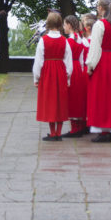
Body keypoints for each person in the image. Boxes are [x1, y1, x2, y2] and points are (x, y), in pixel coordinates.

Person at [85, 0, 111, 142]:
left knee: (101, 96)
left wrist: (90, 65)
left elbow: (95, 47)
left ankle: (103, 130)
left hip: (102, 61)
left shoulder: (99, 25)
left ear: (101, 8)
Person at [33, 12, 72, 141]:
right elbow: (68, 61)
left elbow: (38, 61)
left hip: (48, 73)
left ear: (48, 24)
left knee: (50, 101)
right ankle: (59, 133)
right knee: (60, 101)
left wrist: (36, 78)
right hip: (60, 71)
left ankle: (53, 132)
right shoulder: (65, 41)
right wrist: (68, 77)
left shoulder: (43, 40)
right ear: (60, 24)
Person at [62, 15, 88, 138]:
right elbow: (83, 58)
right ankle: (81, 125)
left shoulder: (69, 41)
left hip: (71, 68)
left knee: (72, 98)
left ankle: (75, 128)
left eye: (64, 24)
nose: (63, 27)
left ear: (69, 25)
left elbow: (65, 58)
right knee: (79, 97)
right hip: (79, 68)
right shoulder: (81, 39)